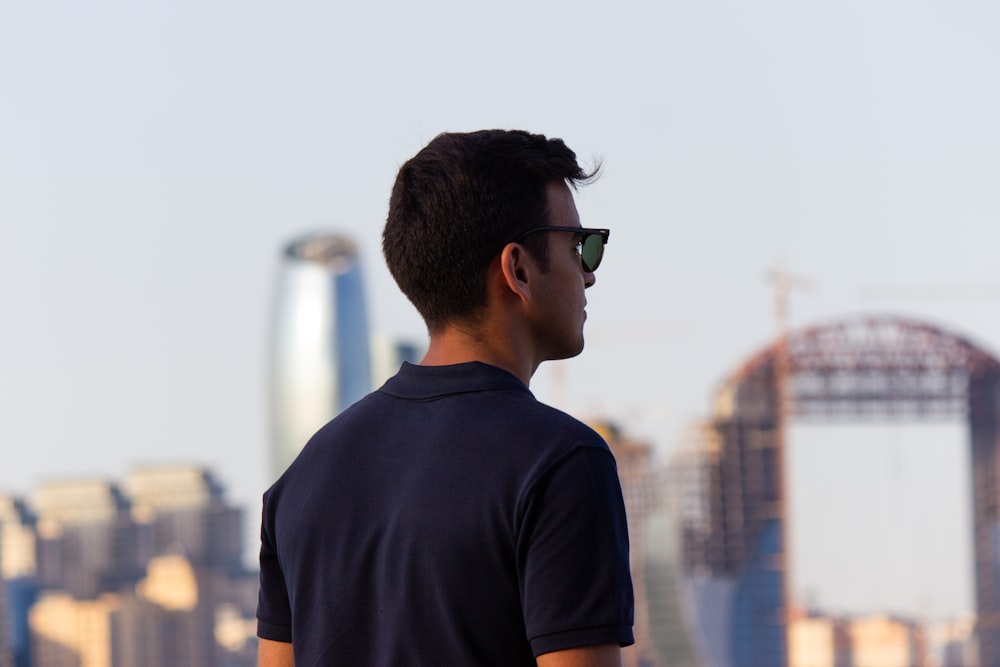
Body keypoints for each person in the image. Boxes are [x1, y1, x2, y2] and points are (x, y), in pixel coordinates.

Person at [257, 129, 634, 667]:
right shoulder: (561, 464)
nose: (590, 272)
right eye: (579, 246)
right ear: (519, 269)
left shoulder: (303, 478)